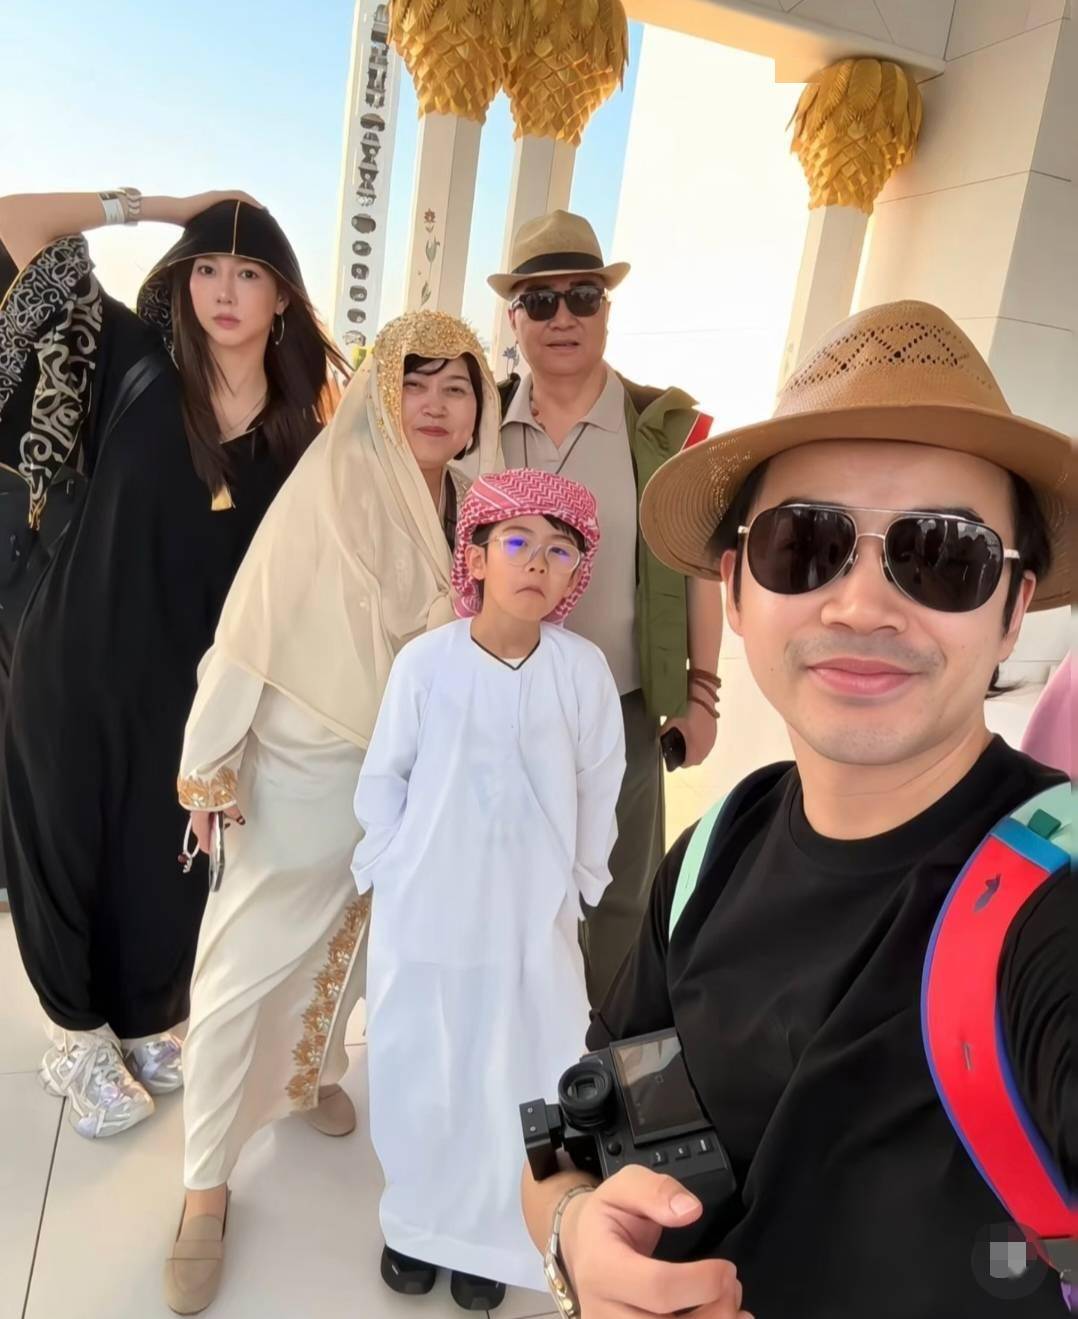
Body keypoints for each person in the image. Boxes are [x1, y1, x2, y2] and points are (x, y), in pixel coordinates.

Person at [520, 300, 1073, 1319]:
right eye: (804, 542)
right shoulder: (709, 855)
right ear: (735, 590)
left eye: (944, 555)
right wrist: (572, 1235)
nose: (861, 606)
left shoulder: (1052, 905)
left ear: (1012, 610)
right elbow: (572, 1143)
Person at [163, 310, 501, 1316]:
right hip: (306, 770)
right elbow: (251, 628)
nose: (435, 404)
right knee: (240, 972)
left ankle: (305, 1077)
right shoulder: (332, 487)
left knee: (351, 953)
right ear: (380, 395)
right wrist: (209, 764)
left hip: (409, 782)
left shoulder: (473, 504)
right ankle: (203, 1190)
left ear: (481, 405)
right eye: (415, 381)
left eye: (457, 385)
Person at [0, 189, 346, 1139]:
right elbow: (16, 222)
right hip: (73, 660)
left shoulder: (297, 437)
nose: (223, 291)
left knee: (160, 864)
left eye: (248, 272)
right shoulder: (132, 360)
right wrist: (161, 206)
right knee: (64, 848)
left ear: (282, 296)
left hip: (187, 694)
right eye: (207, 268)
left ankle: (139, 1020)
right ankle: (76, 1038)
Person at [353, 468, 625, 1310]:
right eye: (516, 541)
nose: (537, 562)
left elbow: (599, 786)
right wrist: (388, 864)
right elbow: (385, 776)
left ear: (575, 570)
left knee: (522, 1068)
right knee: (423, 1063)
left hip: (529, 918)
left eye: (559, 549)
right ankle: (416, 1224)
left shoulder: (582, 671)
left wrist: (579, 885)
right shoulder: (425, 663)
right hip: (428, 911)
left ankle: (496, 1236)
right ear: (474, 555)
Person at [487, 210, 724, 1007]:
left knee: (621, 901)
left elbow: (700, 568)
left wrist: (702, 693)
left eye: (582, 296)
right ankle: (516, 1040)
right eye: (540, 300)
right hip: (498, 701)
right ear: (514, 317)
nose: (562, 317)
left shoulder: (664, 429)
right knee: (505, 890)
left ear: (607, 310)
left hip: (620, 707)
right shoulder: (480, 421)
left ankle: (603, 1055)